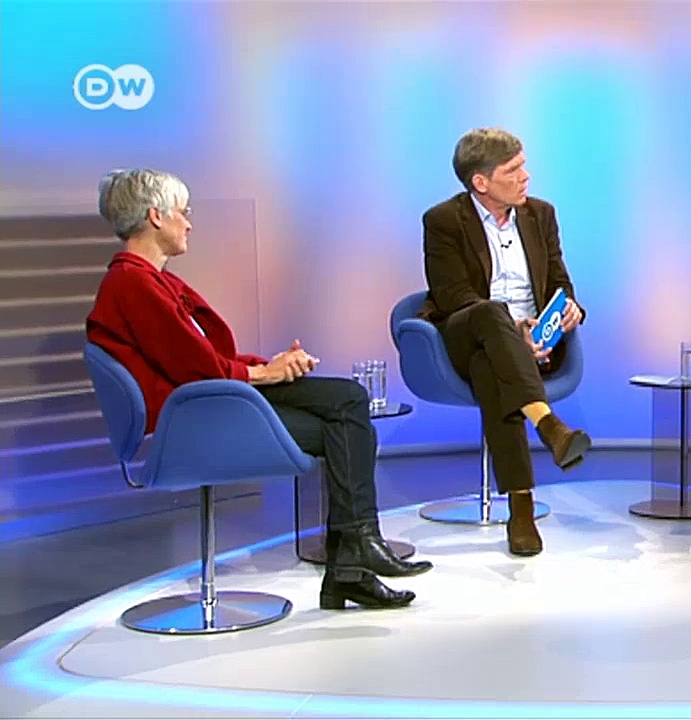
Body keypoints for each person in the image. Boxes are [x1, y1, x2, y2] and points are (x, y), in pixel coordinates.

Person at [86, 169, 433, 611]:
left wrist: (271, 366)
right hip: (191, 419)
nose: (189, 223)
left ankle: (355, 556)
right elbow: (195, 369)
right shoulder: (132, 283)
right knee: (343, 428)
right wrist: (265, 374)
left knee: (347, 398)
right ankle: (352, 562)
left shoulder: (157, 280)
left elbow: (206, 358)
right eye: (183, 212)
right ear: (156, 216)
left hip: (214, 398)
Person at [418, 128, 590, 557]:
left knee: (491, 368)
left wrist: (571, 309)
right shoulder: (443, 221)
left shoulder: (540, 215)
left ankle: (521, 508)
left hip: (531, 346)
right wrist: (515, 330)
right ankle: (548, 425)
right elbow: (453, 296)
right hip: (467, 332)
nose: (525, 177)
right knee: (491, 314)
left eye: (523, 166)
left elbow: (559, 281)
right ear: (481, 182)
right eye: (512, 170)